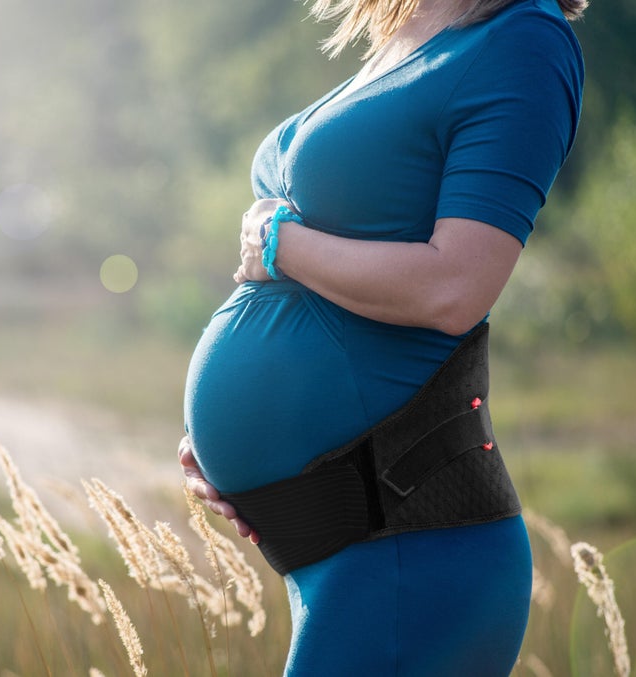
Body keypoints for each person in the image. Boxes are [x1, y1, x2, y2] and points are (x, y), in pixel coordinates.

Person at [179, 0, 586, 674]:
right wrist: (224, 447)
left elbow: (454, 286)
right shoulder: (409, 29)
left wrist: (278, 241)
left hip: (413, 554)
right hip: (353, 556)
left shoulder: (524, 38)